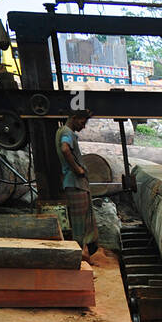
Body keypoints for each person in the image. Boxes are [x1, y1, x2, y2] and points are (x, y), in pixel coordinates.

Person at [55, 110, 99, 259]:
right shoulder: (67, 133)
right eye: (82, 122)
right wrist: (78, 169)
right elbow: (65, 148)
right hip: (75, 184)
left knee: (81, 221)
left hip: (73, 184)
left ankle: (82, 255)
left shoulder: (62, 131)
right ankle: (79, 258)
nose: (84, 126)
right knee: (80, 223)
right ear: (73, 118)